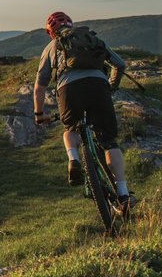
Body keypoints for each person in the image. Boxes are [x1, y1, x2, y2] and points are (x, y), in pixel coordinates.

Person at [32, 11, 135, 208]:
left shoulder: (51, 47)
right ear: (72, 25)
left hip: (68, 89)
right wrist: (111, 86)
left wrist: (39, 114)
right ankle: (123, 194)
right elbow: (120, 64)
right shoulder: (92, 38)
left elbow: (39, 87)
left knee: (70, 129)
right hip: (98, 86)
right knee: (109, 142)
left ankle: (73, 159)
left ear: (50, 32)